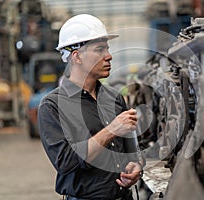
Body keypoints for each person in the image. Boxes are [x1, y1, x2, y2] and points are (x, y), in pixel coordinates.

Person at [38, 14, 145, 200]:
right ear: (77, 56)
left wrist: (136, 167)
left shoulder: (114, 98)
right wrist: (111, 129)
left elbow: (132, 152)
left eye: (107, 49)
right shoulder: (52, 106)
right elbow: (65, 162)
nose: (109, 56)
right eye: (99, 50)